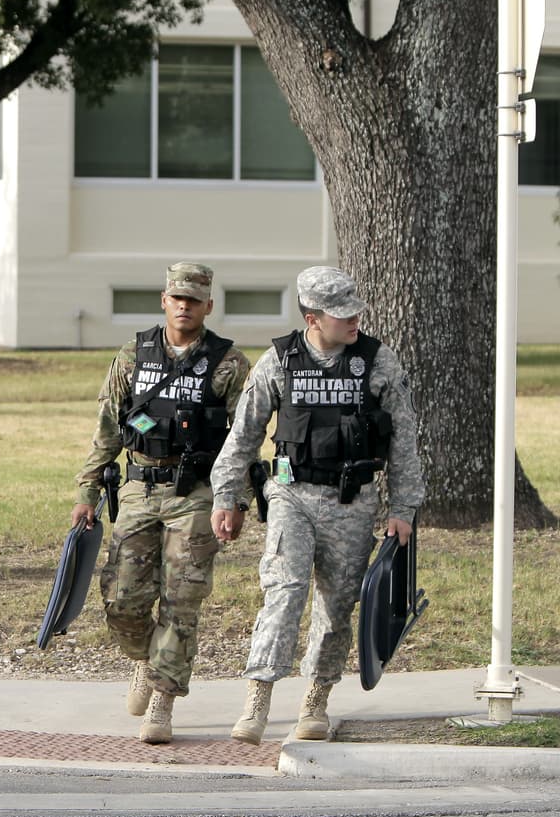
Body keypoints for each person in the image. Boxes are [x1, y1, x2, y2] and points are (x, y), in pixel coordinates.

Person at [209, 266, 425, 745]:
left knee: (336, 607)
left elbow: (404, 441)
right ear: (312, 319)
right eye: (341, 315)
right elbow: (243, 434)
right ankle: (257, 699)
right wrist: (227, 495)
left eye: (356, 312)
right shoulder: (279, 362)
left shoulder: (376, 361)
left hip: (354, 503)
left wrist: (403, 508)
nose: (354, 321)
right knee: (283, 592)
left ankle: (316, 699)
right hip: (292, 495)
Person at [72, 262, 250, 744]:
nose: (185, 306)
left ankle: (163, 701)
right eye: (177, 297)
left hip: (195, 494)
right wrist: (87, 493)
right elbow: (108, 427)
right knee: (121, 599)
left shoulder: (229, 363)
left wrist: (234, 499)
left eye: (194, 299)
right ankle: (146, 662)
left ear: (208, 306)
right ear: (164, 301)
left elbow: (244, 440)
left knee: (181, 600)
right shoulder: (134, 353)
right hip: (138, 488)